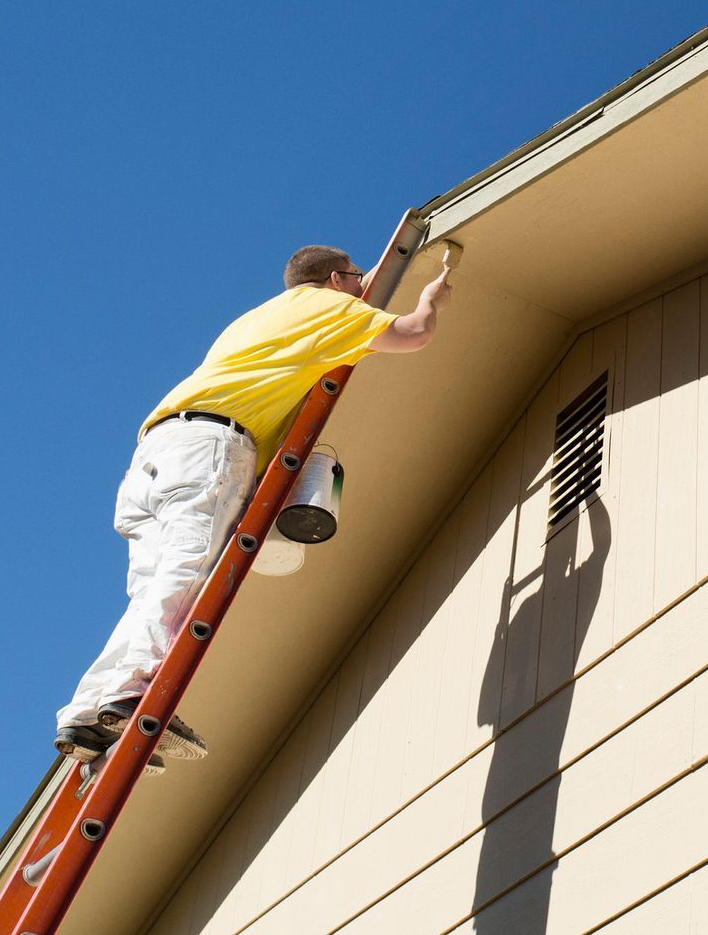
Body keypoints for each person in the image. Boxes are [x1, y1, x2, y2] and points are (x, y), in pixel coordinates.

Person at [53, 243, 452, 768]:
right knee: (186, 576)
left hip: (156, 455)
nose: (363, 291)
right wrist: (430, 298)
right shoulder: (329, 307)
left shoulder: (268, 315)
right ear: (337, 279)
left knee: (153, 587)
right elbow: (413, 334)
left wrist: (377, 267)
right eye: (357, 282)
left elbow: (350, 282)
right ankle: (130, 697)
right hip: (211, 450)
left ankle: (89, 712)